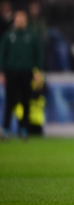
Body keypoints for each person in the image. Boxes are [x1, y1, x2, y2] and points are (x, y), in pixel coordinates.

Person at [0, 10, 43, 139]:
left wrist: (38, 71)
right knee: (10, 102)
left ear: (26, 19)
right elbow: (2, 54)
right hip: (11, 72)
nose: (19, 20)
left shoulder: (32, 36)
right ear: (14, 19)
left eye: (22, 18)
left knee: (26, 101)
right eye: (17, 18)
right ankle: (6, 129)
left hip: (27, 72)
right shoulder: (8, 36)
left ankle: (24, 129)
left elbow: (39, 54)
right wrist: (2, 72)